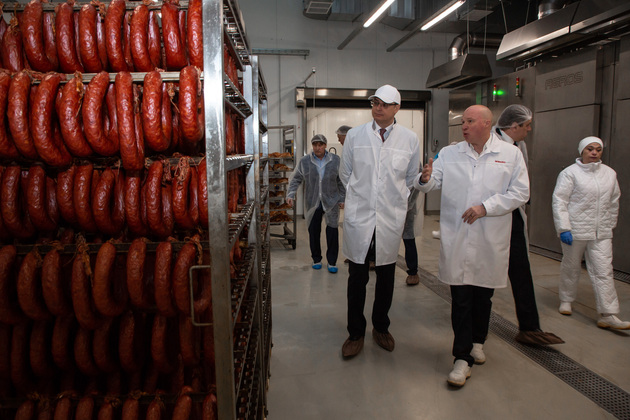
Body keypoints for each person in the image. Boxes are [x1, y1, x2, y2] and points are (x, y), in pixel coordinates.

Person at [414, 105, 529, 387]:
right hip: (458, 235)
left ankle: (478, 341)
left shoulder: (510, 154)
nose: (463, 126)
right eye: (463, 121)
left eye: (469, 121)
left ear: (487, 124)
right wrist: (425, 179)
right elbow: (432, 182)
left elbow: (520, 192)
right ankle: (461, 357)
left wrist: (486, 207)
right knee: (462, 298)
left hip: (491, 235)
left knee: (483, 295)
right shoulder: (450, 153)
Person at [339, 84, 420, 358]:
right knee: (357, 276)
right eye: (375, 103)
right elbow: (345, 174)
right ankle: (355, 332)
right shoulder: (355, 135)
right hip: (360, 215)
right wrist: (361, 197)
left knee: (386, 275)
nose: (378, 108)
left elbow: (411, 179)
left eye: (385, 104)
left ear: (397, 108)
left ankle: (381, 327)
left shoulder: (409, 139)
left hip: (390, 216)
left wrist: (397, 198)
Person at [494, 105, 564, 346]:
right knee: (486, 273)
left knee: (521, 268)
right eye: (527, 125)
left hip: (512, 212)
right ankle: (475, 328)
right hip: (489, 214)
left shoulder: (519, 146)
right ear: (514, 126)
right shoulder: (491, 144)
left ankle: (529, 327)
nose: (529, 130)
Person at [552, 136, 629, 329]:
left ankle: (607, 314)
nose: (594, 152)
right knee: (571, 266)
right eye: (590, 149)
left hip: (601, 232)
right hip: (575, 230)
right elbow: (560, 201)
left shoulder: (609, 174)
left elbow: (614, 201)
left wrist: (609, 224)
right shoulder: (570, 173)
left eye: (598, 149)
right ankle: (566, 300)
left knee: (604, 271)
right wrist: (564, 228)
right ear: (582, 151)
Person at [287, 134, 345, 273]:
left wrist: (343, 198)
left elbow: (341, 180)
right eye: (315, 145)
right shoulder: (305, 161)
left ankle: (332, 262)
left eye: (320, 145)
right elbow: (296, 179)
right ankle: (316, 259)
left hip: (331, 201)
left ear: (325, 145)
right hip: (313, 202)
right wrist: (290, 194)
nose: (318, 148)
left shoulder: (335, 160)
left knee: (332, 231)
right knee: (313, 231)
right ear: (312, 146)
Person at [403, 188, 421, 286]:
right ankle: (373, 258)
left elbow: (415, 187)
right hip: (386, 204)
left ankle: (413, 272)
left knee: (408, 237)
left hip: (406, 203)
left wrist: (407, 205)